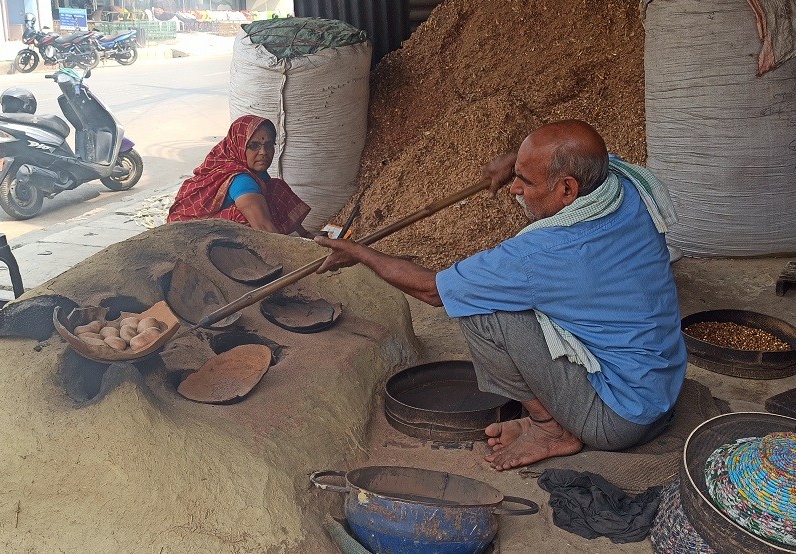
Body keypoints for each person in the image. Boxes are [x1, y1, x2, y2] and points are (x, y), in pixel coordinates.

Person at [314, 120, 688, 471]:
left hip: (618, 421)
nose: (514, 189)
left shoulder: (540, 254)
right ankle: (559, 417)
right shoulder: (625, 187)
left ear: (567, 189)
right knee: (504, 298)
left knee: (481, 308)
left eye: (525, 181)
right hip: (660, 390)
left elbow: (433, 290)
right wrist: (518, 161)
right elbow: (594, 157)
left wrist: (360, 253)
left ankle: (550, 428)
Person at [167, 115, 313, 237]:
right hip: (191, 238)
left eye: (268, 145)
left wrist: (306, 236)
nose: (263, 152)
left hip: (202, 229)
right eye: (254, 146)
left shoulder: (255, 172)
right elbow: (264, 228)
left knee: (275, 188)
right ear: (239, 145)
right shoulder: (242, 181)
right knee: (244, 216)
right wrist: (295, 253)